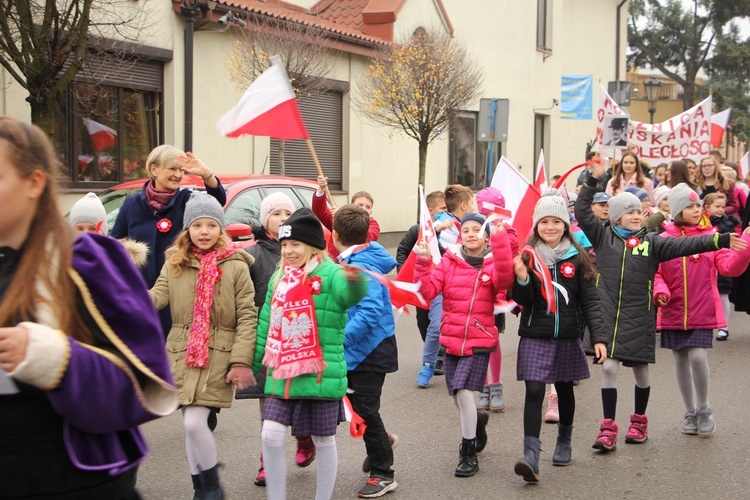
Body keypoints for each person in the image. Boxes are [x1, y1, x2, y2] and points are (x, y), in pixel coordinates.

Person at [0, 116, 177, 498]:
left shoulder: (88, 261)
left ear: (33, 183)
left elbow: (146, 386)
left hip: (74, 481)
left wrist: (54, 359)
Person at [576, 160, 745, 453]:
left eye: (638, 212)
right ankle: (608, 427)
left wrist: (719, 239)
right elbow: (581, 211)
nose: (635, 215)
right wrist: (592, 180)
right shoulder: (603, 237)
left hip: (640, 319)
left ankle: (639, 421)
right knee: (610, 370)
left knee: (641, 373)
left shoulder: (652, 242)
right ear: (616, 217)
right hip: (609, 320)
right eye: (628, 212)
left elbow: (685, 245)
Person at [253, 208, 367, 500]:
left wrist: (355, 282)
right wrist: (252, 363)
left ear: (313, 245)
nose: (289, 251)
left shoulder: (331, 273)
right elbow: (265, 321)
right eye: (285, 245)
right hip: (281, 374)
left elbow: (347, 294)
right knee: (270, 435)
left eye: (296, 244)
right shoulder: (280, 276)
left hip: (320, 374)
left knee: (323, 439)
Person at [149, 192, 257, 499]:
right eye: (198, 225)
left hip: (219, 353)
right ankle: (201, 489)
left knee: (196, 422)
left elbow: (247, 315)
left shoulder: (236, 266)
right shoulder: (175, 263)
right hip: (182, 351)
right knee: (190, 424)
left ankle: (212, 487)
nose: (205, 231)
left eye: (212, 225)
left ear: (221, 230)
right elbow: (157, 296)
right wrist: (125, 299)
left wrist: (240, 360)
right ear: (188, 229)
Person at [511, 190, 608, 482]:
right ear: (536, 226)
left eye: (556, 221)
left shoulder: (576, 258)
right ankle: (531, 454)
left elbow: (590, 301)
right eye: (544, 222)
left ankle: (564, 440)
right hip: (534, 333)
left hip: (567, 335)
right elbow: (523, 301)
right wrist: (522, 278)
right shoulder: (527, 257)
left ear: (566, 225)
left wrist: (599, 338)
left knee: (565, 389)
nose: (550, 227)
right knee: (535, 391)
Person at [414, 212, 514, 477]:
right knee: (457, 398)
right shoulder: (449, 260)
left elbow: (505, 280)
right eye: (466, 229)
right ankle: (478, 421)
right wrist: (423, 263)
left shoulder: (492, 263)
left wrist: (502, 242)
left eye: (477, 229)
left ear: (486, 236)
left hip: (480, 340)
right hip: (451, 339)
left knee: (465, 393)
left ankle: (468, 451)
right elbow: (426, 292)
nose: (471, 234)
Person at [653, 184, 750, 437]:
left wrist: (746, 245)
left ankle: (704, 408)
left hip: (702, 308)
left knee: (697, 356)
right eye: (690, 206)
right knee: (679, 360)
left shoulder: (711, 236)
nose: (696, 210)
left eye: (698, 205)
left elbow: (729, 267)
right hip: (673, 310)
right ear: (677, 211)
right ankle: (689, 411)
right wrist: (659, 291)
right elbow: (656, 273)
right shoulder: (664, 240)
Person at [110, 144, 226, 337]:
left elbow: (216, 201)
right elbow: (114, 245)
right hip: (141, 294)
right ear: (154, 169)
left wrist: (206, 174)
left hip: (179, 294)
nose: (178, 175)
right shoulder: (132, 205)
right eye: (172, 168)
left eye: (181, 170)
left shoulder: (187, 200)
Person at [333, 204, 400, 498]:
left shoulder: (362, 265)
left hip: (371, 349)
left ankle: (383, 472)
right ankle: (381, 440)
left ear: (335, 235)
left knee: (365, 410)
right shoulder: (357, 256)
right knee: (357, 408)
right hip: (360, 348)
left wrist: (339, 340)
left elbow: (370, 311)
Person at [234, 191, 296, 487]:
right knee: (268, 406)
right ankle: (267, 461)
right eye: (276, 214)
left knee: (299, 399)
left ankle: (305, 439)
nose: (283, 218)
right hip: (267, 341)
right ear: (265, 221)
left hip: (298, 340)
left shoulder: (302, 252)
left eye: (287, 213)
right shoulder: (253, 255)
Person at [416, 184, 476, 388]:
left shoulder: (472, 224)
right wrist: (439, 228)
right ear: (463, 205)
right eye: (472, 202)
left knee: (465, 327)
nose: (475, 206)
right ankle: (427, 365)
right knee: (435, 327)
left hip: (466, 284)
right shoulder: (447, 222)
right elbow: (431, 230)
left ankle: (464, 367)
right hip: (443, 281)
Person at [475, 186, 519, 413]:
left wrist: (497, 238)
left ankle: (496, 384)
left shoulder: (508, 232)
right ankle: (482, 386)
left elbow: (509, 256)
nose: (484, 216)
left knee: (491, 340)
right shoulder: (475, 228)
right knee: (478, 340)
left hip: (496, 294)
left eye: (487, 211)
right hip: (475, 293)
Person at [395, 191, 448, 377]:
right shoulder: (416, 231)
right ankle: (432, 351)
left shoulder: (449, 233)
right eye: (443, 209)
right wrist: (405, 270)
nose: (446, 213)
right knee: (423, 321)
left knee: (439, 322)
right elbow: (402, 251)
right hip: (422, 285)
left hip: (442, 286)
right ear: (431, 211)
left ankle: (439, 356)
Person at [312, 175, 380, 259]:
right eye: (360, 205)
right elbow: (320, 211)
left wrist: (342, 217)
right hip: (335, 264)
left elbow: (366, 238)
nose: (363, 209)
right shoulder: (338, 219)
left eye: (368, 207)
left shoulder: (373, 225)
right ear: (351, 206)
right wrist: (321, 189)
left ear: (371, 212)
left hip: (356, 264)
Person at [704, 192, 741, 341]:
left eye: (723, 207)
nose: (721, 209)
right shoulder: (702, 223)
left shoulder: (728, 224)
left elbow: (733, 244)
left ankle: (723, 326)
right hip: (705, 263)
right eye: (717, 206)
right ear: (707, 207)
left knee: (723, 293)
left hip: (722, 262)